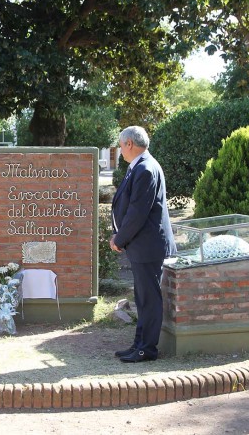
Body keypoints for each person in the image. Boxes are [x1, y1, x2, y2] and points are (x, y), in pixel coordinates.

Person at [110, 126, 176, 363]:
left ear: (129, 144)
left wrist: (119, 238)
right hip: (142, 245)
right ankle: (139, 344)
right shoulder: (139, 166)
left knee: (148, 299)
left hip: (147, 246)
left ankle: (147, 348)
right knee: (142, 298)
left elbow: (137, 212)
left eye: (120, 145)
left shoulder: (146, 168)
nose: (120, 150)